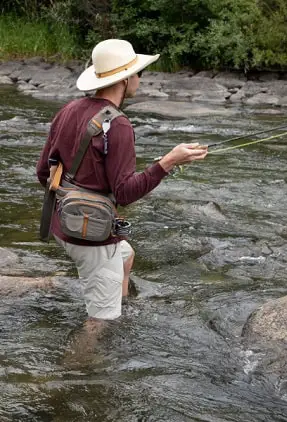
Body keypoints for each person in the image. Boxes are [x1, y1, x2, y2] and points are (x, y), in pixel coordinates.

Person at [36, 39, 208, 323]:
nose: (140, 78)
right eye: (139, 73)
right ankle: (79, 364)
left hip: (61, 224)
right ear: (126, 79)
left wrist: (72, 200)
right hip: (89, 237)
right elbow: (125, 194)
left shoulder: (68, 110)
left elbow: (43, 172)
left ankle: (122, 312)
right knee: (100, 323)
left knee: (126, 255)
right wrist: (169, 162)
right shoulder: (118, 125)